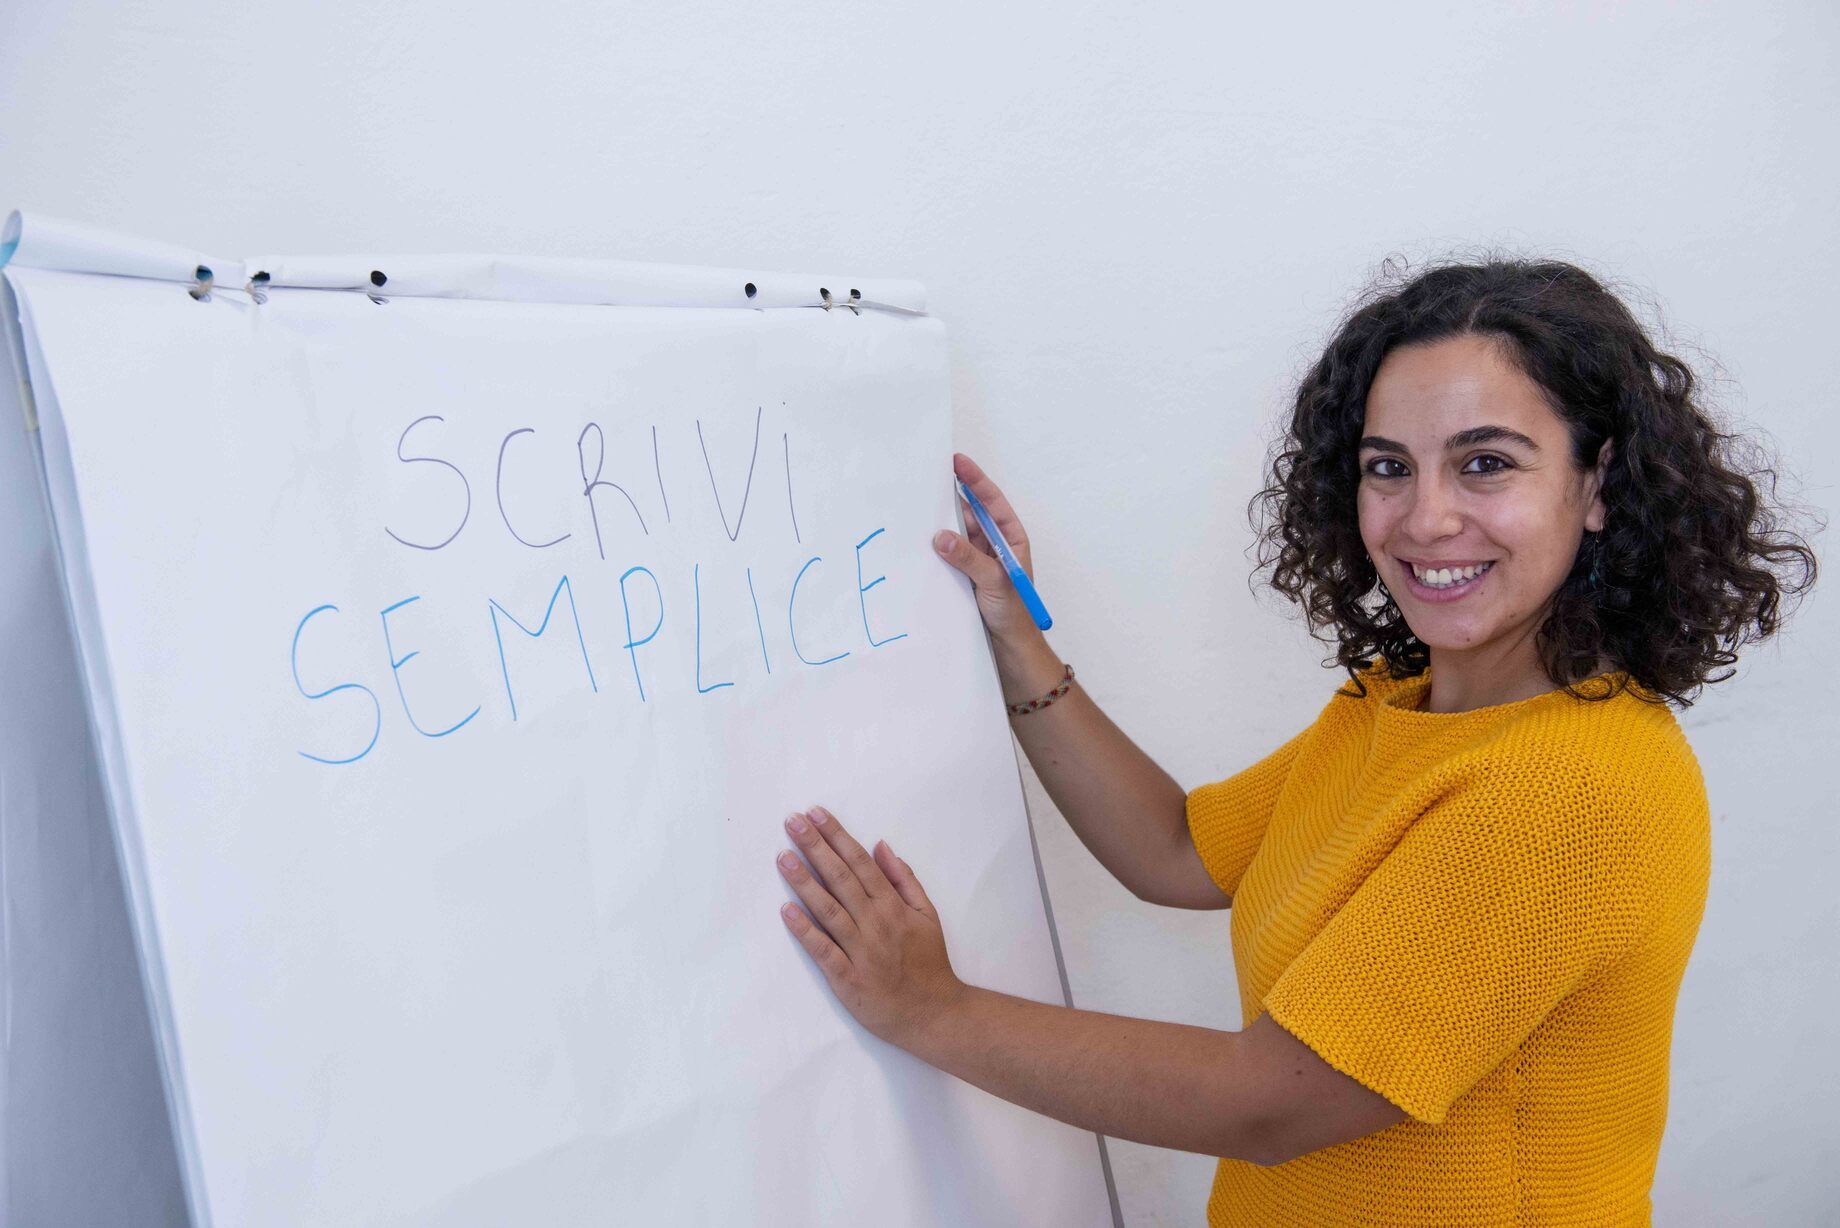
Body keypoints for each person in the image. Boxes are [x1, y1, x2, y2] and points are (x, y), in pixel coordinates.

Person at [770, 259, 1817, 1226]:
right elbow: (1176, 849)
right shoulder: (1394, 708)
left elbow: (1265, 1100)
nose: (1425, 518)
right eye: (1388, 467)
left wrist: (933, 1010)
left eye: (1485, 464)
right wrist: (1014, 636)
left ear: (1598, 487)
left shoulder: (1566, 790)